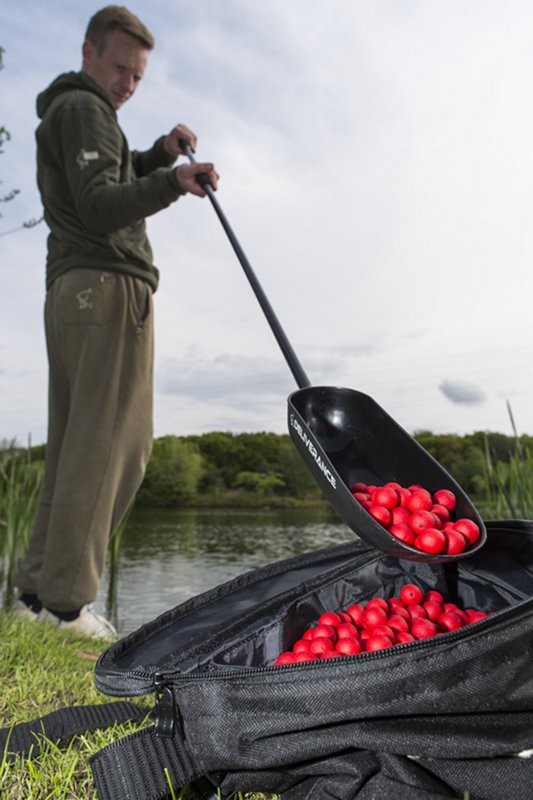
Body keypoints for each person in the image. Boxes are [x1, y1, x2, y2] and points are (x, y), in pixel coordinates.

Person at [13, 5, 219, 640]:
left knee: (80, 444)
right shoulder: (83, 109)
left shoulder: (78, 112)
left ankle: (34, 593)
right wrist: (175, 180)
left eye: (138, 76)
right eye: (121, 68)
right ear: (88, 52)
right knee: (115, 447)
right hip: (106, 287)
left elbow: (108, 175)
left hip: (77, 289)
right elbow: (103, 204)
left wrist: (157, 153)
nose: (129, 83)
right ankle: (68, 608)